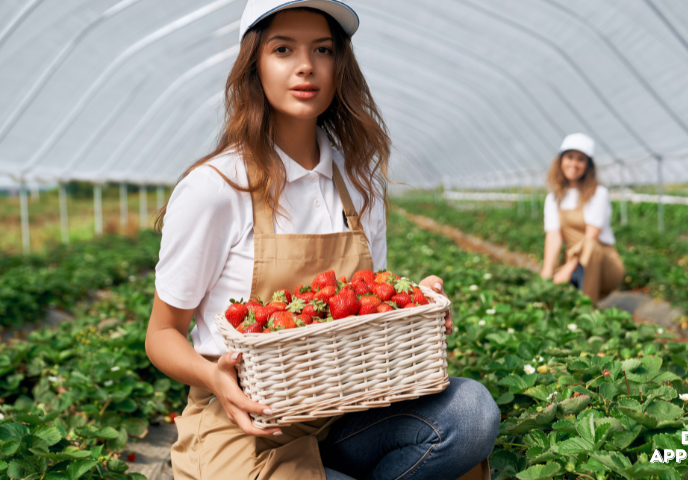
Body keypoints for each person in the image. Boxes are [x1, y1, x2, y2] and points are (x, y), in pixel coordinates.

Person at [144, 1, 498, 479]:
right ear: (256, 63)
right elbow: (161, 334)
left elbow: (366, 313)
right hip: (247, 426)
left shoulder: (357, 184)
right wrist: (213, 376)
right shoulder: (217, 187)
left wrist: (413, 303)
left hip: (343, 415)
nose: (305, 65)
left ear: (339, 66)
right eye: (283, 49)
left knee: (470, 411)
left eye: (323, 49)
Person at [539, 133, 625, 302]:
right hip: (574, 262)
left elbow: (591, 237)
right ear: (561, 161)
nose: (574, 163)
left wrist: (568, 268)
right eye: (569, 157)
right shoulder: (553, 198)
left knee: (591, 246)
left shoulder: (597, 193)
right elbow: (553, 236)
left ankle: (588, 310)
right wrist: (547, 273)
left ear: (588, 165)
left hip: (604, 263)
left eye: (581, 159)